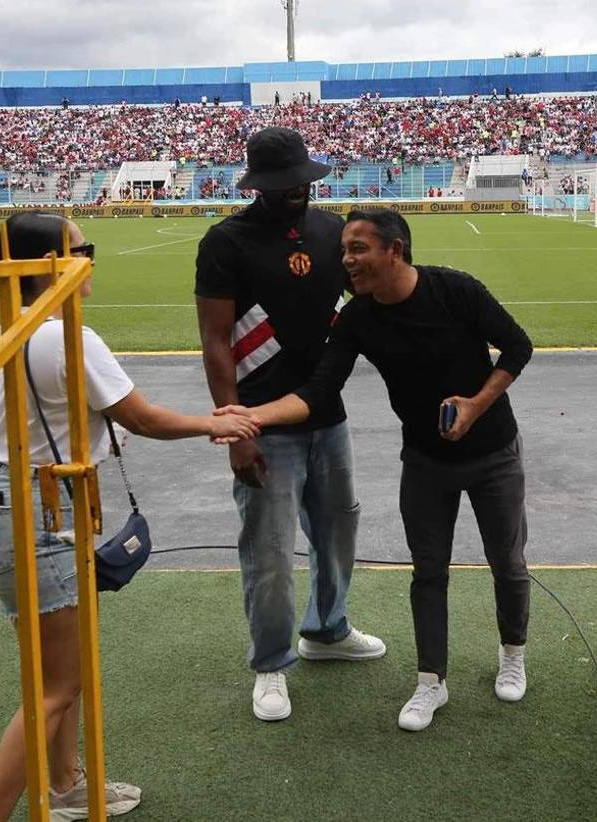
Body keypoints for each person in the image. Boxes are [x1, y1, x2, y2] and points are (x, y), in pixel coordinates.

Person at [0, 212, 259, 821]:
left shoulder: (2, 334)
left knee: (55, 676)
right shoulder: (68, 336)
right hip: (45, 509)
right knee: (54, 689)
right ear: (48, 264)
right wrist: (217, 422)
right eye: (81, 248)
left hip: (0, 503)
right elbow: (141, 418)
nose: (90, 259)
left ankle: (68, 786)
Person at [218, 209, 534, 732]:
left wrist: (478, 404)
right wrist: (252, 416)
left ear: (396, 249)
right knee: (428, 571)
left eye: (359, 249)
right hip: (425, 463)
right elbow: (319, 392)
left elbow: (518, 346)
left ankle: (513, 653)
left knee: (507, 560)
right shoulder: (358, 319)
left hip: (493, 455)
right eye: (344, 249)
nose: (347, 260)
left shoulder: (455, 290)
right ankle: (431, 681)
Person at [195, 127, 385, 722]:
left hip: (328, 416)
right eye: (282, 185)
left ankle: (326, 631)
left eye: (300, 182)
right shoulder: (226, 241)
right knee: (270, 551)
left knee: (338, 531)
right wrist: (233, 430)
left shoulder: (334, 232)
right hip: (261, 423)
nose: (295, 192)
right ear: (258, 186)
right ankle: (272, 664)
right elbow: (216, 340)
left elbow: (369, 304)